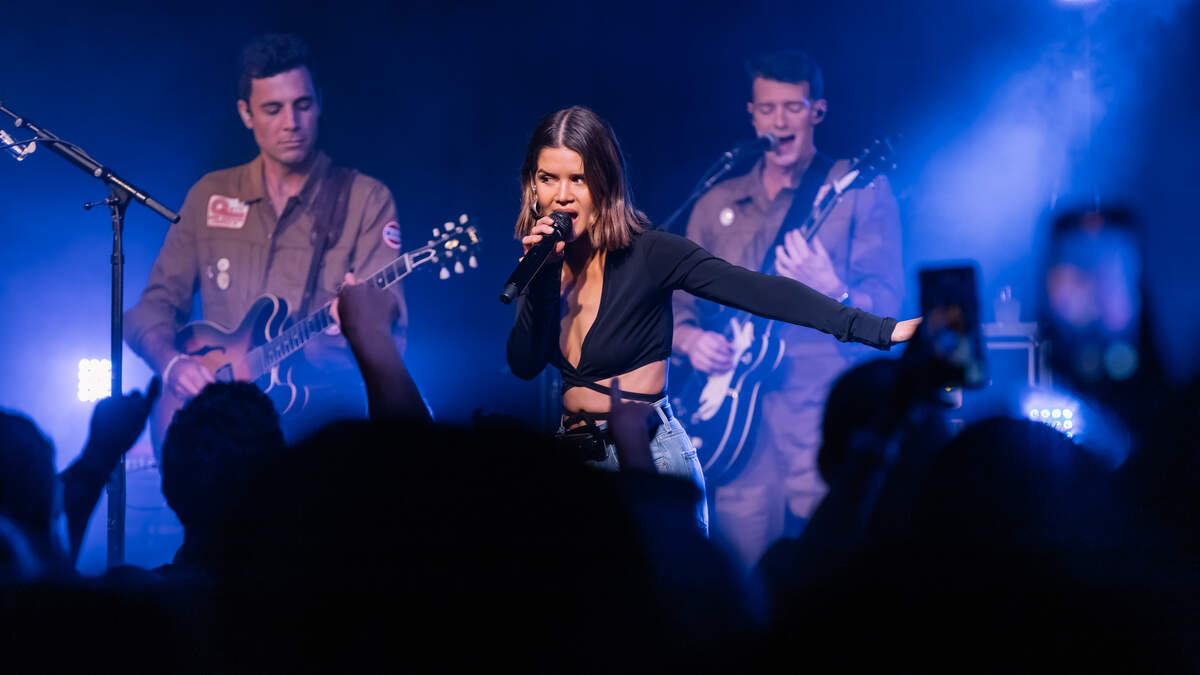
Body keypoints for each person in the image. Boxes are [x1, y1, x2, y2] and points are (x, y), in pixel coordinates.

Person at [506, 106, 918, 535]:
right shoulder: (543, 264)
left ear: (604, 182)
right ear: (532, 185)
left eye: (578, 178)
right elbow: (524, 363)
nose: (562, 195)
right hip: (570, 460)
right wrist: (542, 282)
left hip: (646, 456)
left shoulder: (650, 253)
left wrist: (880, 329)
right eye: (548, 178)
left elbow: (762, 292)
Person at [672, 50, 904, 567]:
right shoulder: (716, 202)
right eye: (768, 109)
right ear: (751, 114)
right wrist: (690, 340)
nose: (780, 122)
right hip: (735, 434)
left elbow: (889, 306)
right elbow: (675, 300)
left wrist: (835, 290)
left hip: (822, 426)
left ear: (817, 111)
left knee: (832, 580)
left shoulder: (858, 190)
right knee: (745, 583)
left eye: (793, 108)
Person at [124, 33, 407, 442]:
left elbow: (392, 333)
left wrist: (351, 330)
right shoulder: (211, 195)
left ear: (319, 102)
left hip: (325, 431)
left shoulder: (366, 199)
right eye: (273, 109)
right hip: (227, 435)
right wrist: (172, 364)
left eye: (302, 105)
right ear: (246, 113)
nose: (291, 123)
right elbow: (150, 310)